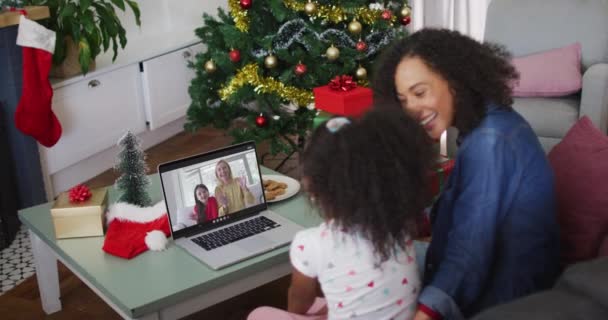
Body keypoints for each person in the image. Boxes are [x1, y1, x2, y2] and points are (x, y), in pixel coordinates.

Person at [372, 28, 560, 320]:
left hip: (502, 300)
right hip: (482, 277)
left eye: (420, 92)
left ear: (455, 81)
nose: (411, 109)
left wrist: (424, 313)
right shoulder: (486, 123)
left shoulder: (490, 141)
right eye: (403, 99)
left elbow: (468, 255)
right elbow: (467, 205)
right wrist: (420, 220)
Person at [248, 108, 436, 320]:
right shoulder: (399, 227)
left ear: (312, 186)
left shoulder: (310, 243)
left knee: (259, 314)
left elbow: (300, 301)